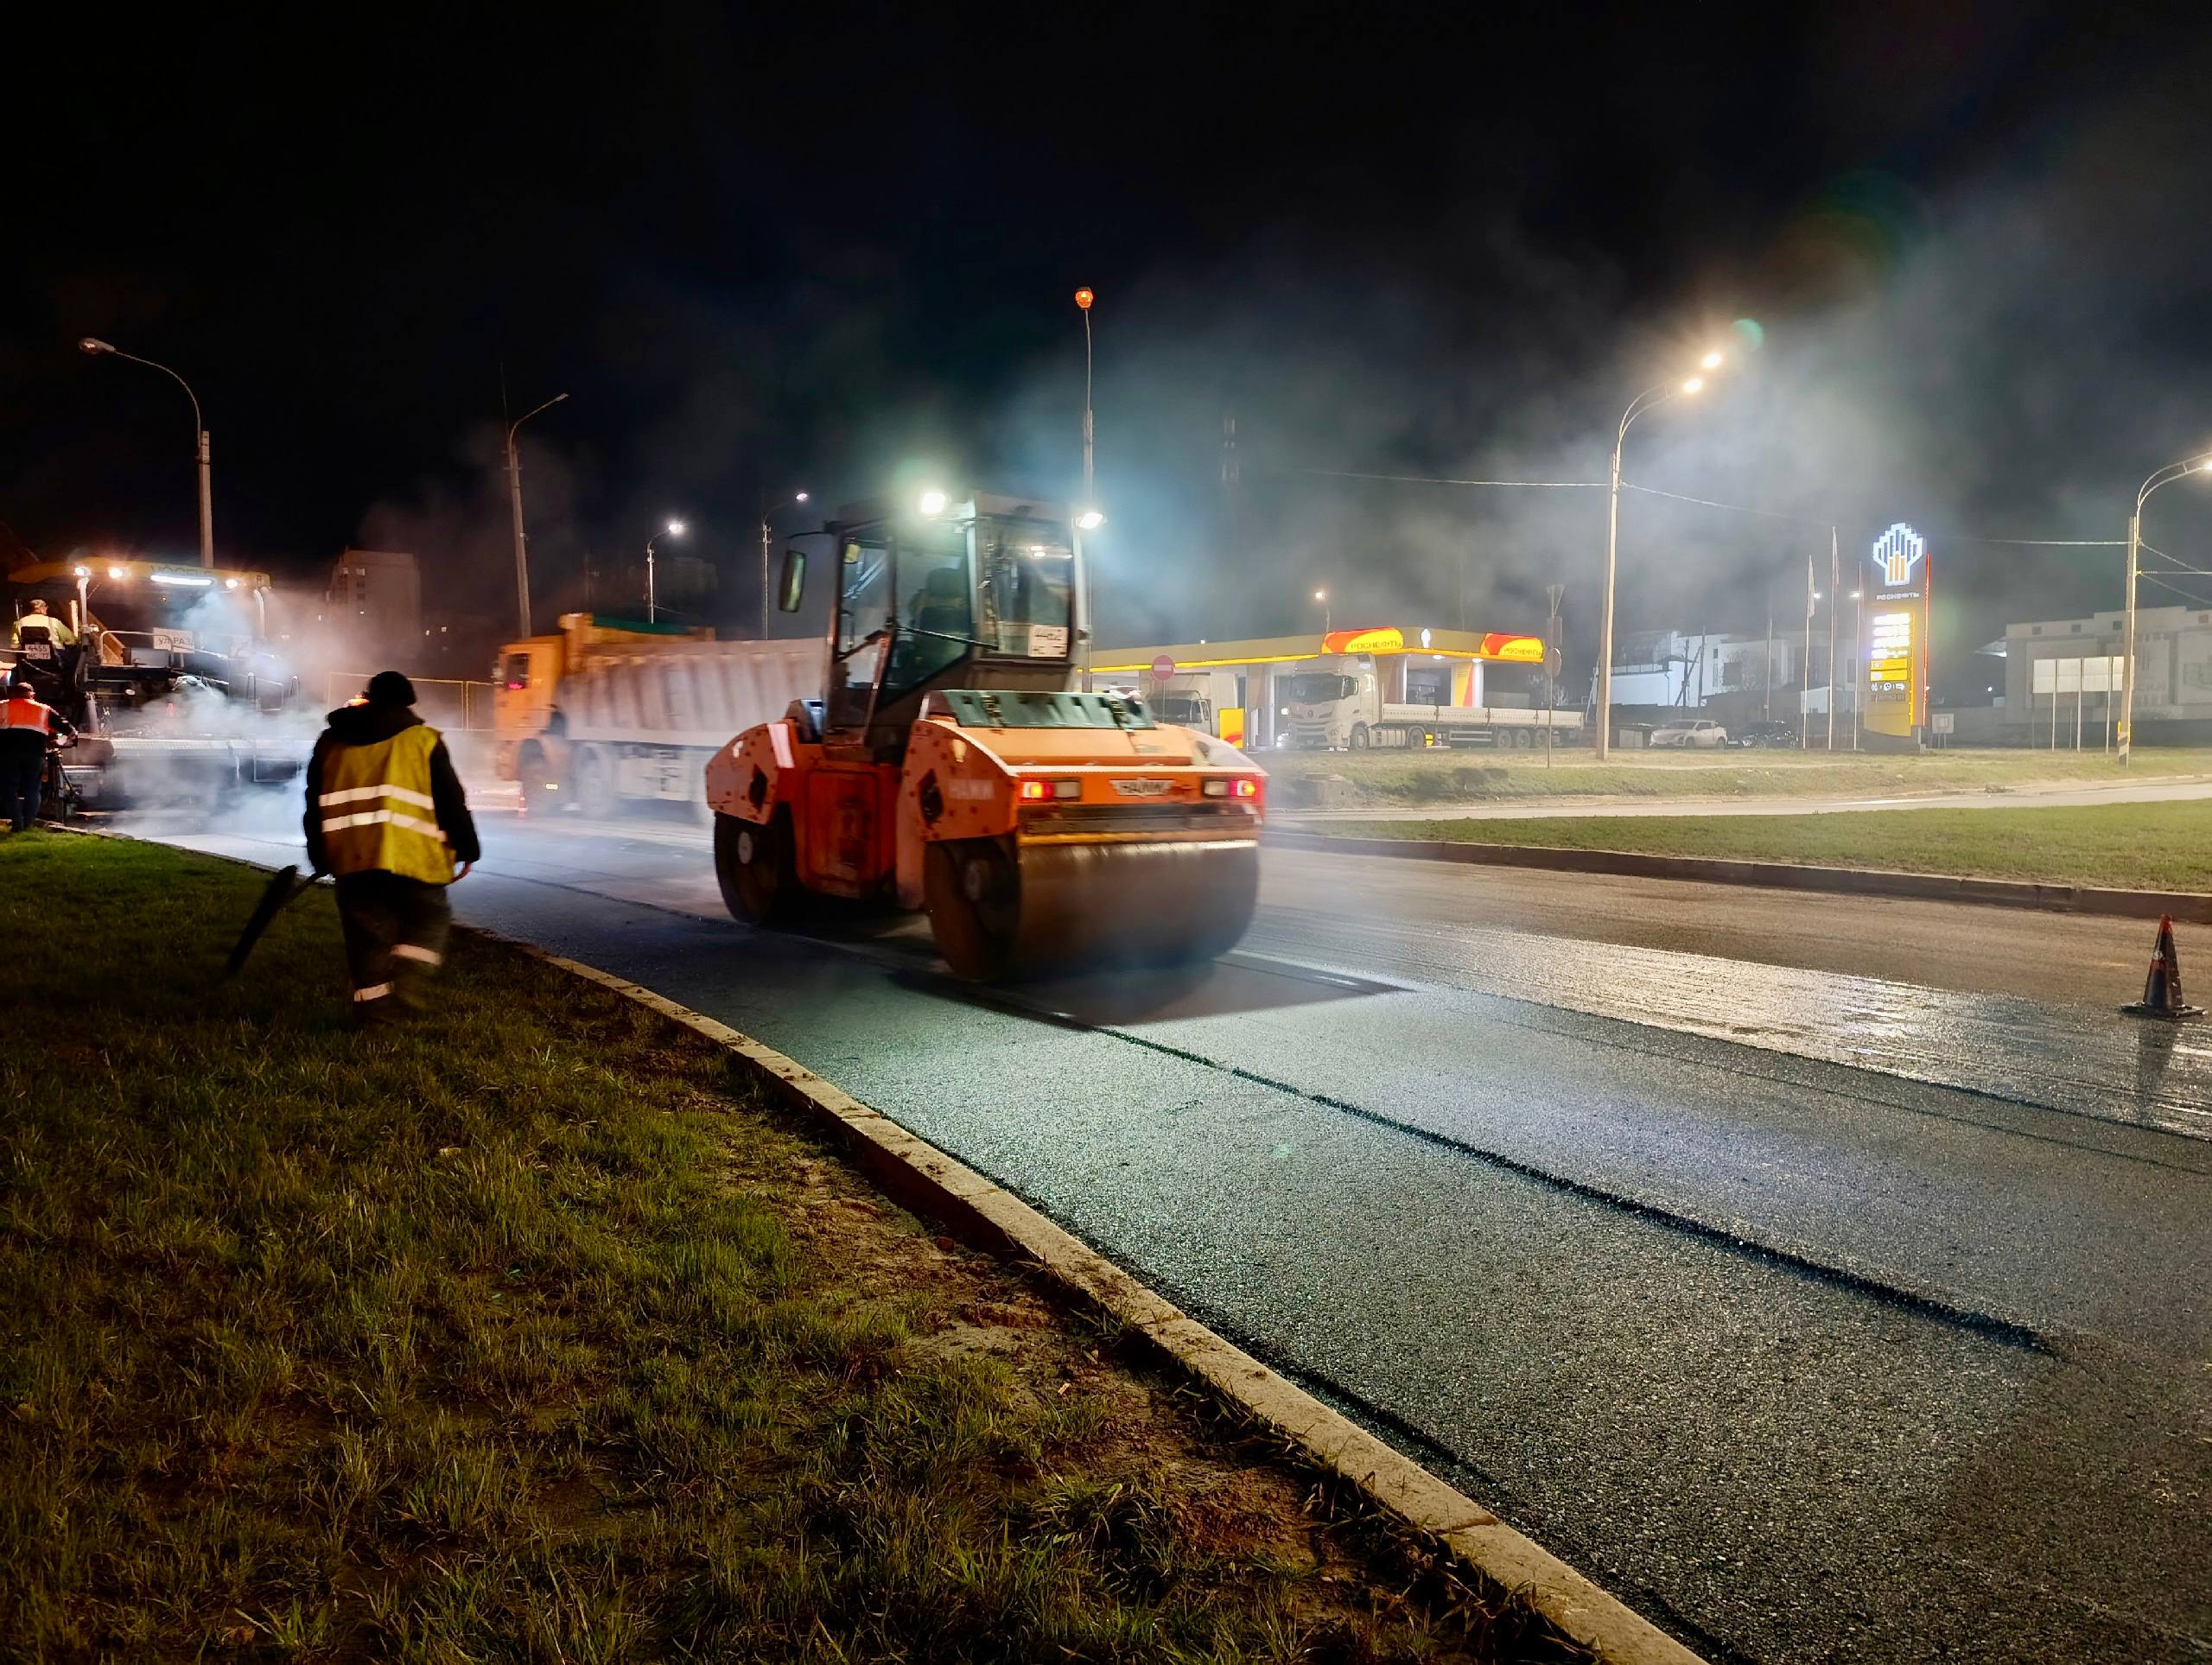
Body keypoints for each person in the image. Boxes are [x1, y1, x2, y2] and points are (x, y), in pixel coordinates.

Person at [303, 670, 480, 1024]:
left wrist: (320, 856)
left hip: (353, 861)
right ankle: (409, 979)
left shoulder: (329, 742)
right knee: (428, 917)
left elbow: (315, 805)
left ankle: (376, 1021)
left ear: (368, 697)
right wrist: (467, 849)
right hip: (413, 858)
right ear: (407, 702)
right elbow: (450, 801)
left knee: (366, 939)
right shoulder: (424, 741)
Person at [1, 676, 73, 832]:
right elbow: (70, 732)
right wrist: (59, 742)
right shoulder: (44, 710)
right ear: (31, 695)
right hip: (35, 756)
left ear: (11, 694)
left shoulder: (2, 707)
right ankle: (27, 824)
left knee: (8, 789)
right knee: (32, 789)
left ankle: (17, 822)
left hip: (7, 755)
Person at [10, 600, 78, 650]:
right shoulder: (53, 621)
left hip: (28, 660)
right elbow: (71, 640)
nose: (46, 609)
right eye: (45, 607)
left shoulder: (19, 623)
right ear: (40, 609)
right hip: (55, 659)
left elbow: (14, 646)